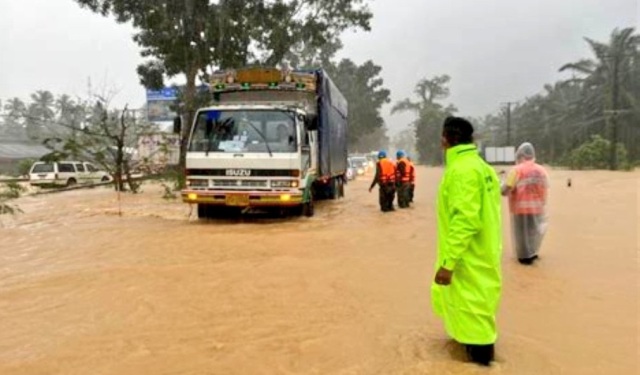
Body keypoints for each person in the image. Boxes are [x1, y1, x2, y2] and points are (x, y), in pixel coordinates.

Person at [431, 116, 502, 366]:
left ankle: (483, 364)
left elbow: (466, 221)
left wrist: (448, 263)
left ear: (445, 140)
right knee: (478, 311)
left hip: (466, 259)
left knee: (476, 325)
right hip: (484, 253)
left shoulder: (462, 171)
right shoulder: (483, 168)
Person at [501, 142, 549, 265]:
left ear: (520, 155)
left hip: (520, 209)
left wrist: (499, 186)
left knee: (521, 236)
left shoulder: (516, 170)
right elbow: (545, 189)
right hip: (538, 209)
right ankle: (532, 253)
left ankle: (524, 258)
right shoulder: (542, 170)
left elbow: (507, 188)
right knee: (533, 233)